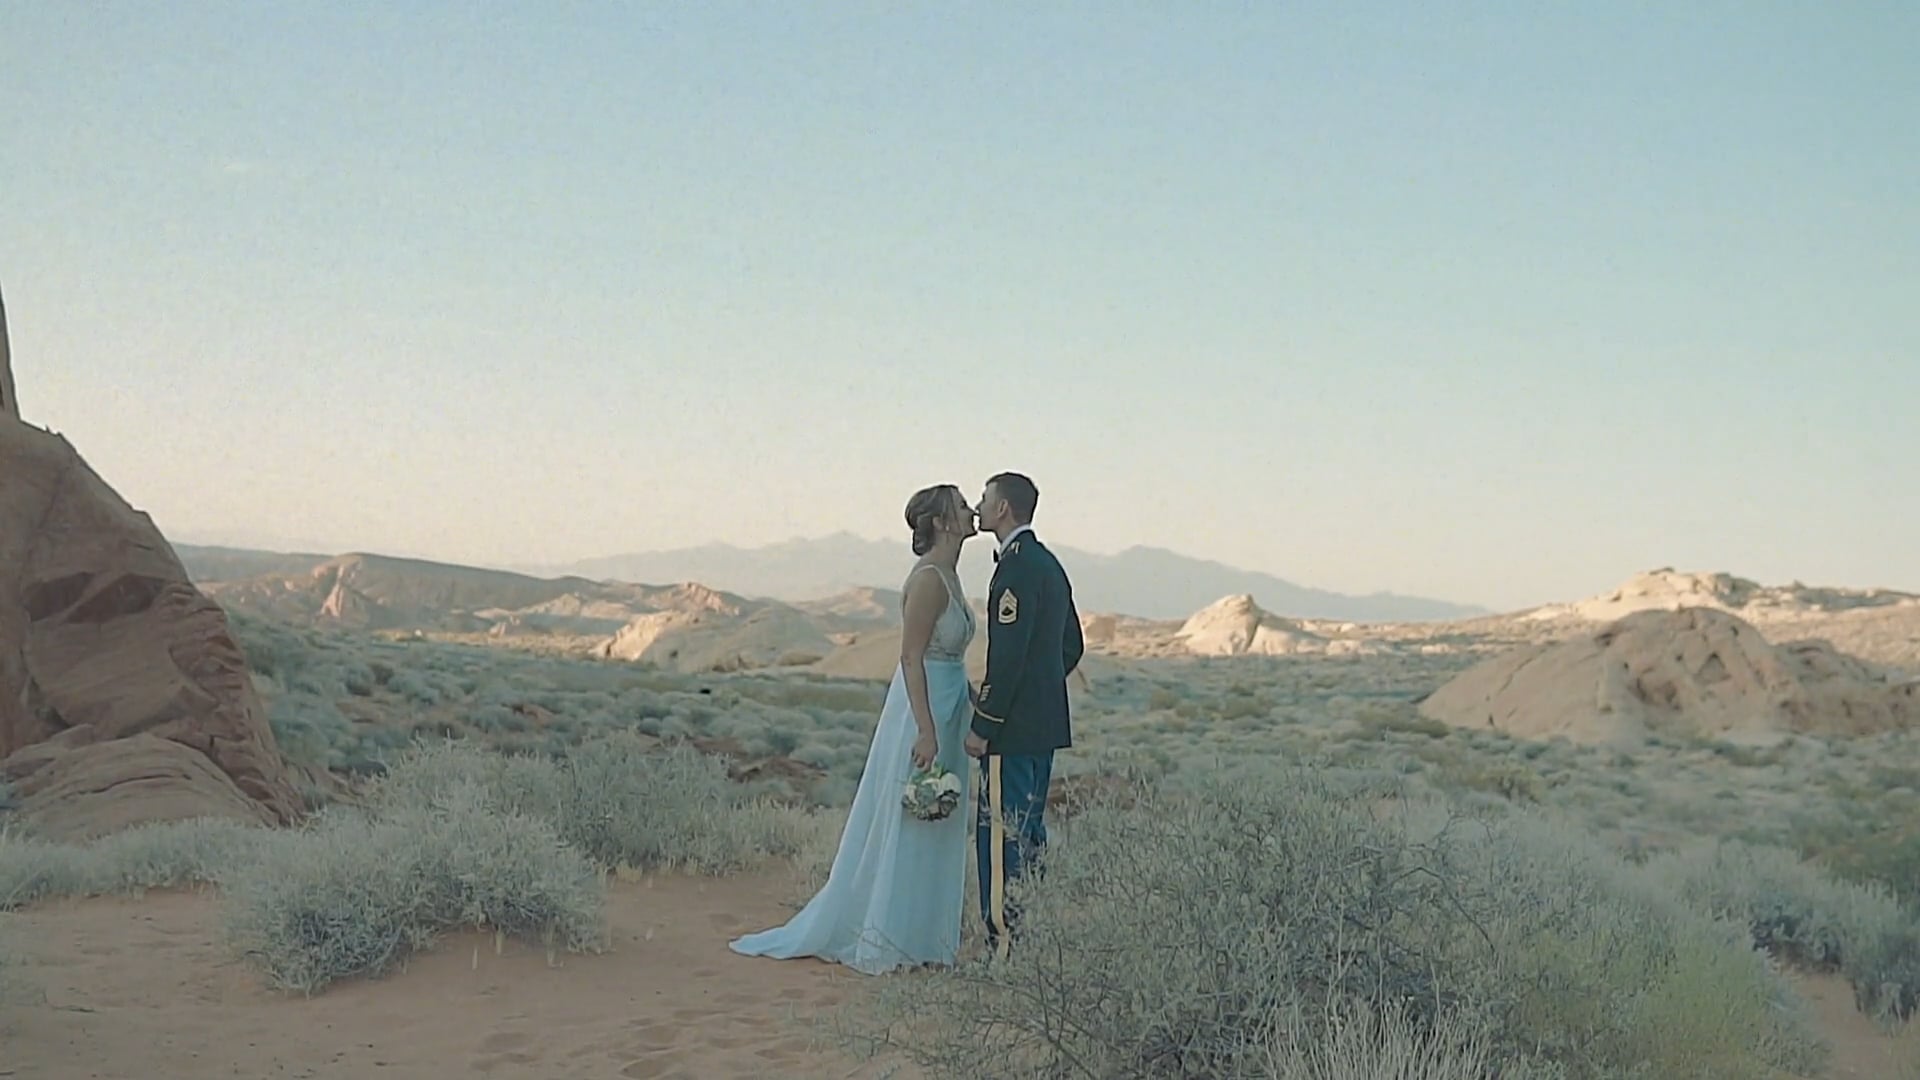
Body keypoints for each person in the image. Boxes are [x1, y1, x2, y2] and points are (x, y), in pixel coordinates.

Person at [728, 484, 979, 973]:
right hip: (921, 709)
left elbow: (951, 658)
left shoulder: (951, 575)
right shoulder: (929, 579)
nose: (971, 511)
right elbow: (911, 657)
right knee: (912, 815)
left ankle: (926, 942)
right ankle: (893, 941)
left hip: (950, 708)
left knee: (938, 818)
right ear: (943, 523)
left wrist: (972, 706)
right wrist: (925, 731)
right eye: (962, 506)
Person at [964, 471, 1082, 959]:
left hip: (1010, 734)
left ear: (1004, 509)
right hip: (1044, 727)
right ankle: (1029, 939)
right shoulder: (1049, 564)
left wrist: (984, 722)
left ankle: (1005, 946)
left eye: (986, 499)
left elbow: (1006, 658)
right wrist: (1042, 690)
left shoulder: (1014, 569)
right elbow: (1071, 645)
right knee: (1031, 834)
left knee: (1002, 839)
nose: (979, 505)